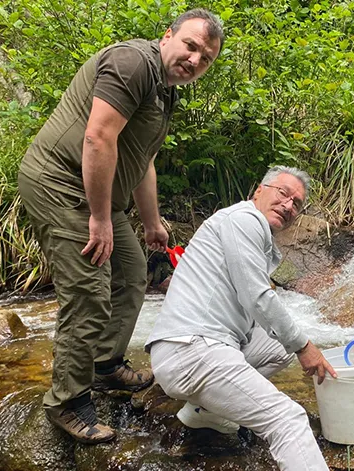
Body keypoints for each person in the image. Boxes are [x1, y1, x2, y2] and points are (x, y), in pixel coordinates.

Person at [17, 9, 223, 443]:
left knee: (130, 275)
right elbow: (98, 137)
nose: (194, 59)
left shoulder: (165, 91)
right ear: (168, 36)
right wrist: (99, 217)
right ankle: (67, 401)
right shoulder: (133, 64)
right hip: (61, 185)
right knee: (89, 291)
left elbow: (143, 157)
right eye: (190, 45)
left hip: (98, 196)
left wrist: (151, 223)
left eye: (205, 58)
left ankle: (105, 366)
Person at [146, 166, 335, 471]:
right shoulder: (244, 219)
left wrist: (293, 342)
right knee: (288, 419)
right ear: (259, 191)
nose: (289, 206)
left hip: (195, 346)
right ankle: (207, 404)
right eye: (283, 193)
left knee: (278, 347)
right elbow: (258, 296)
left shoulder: (244, 226)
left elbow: (257, 310)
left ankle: (204, 411)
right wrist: (304, 346)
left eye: (297, 204)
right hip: (192, 347)